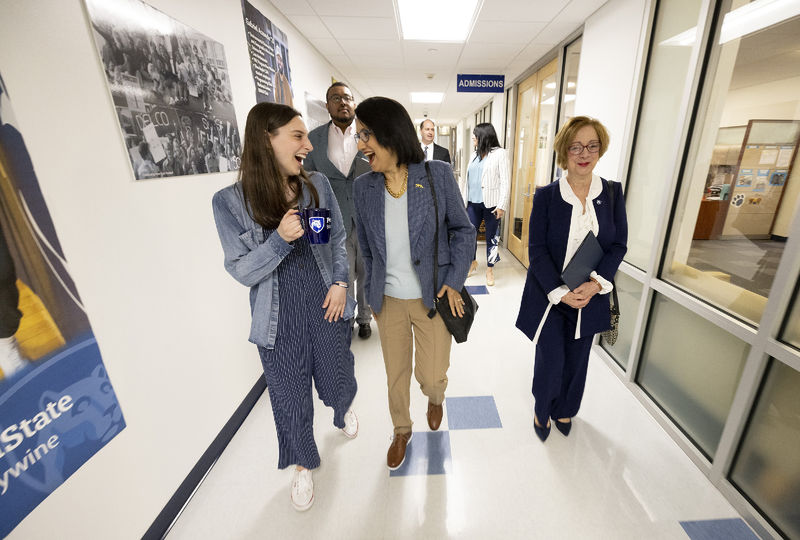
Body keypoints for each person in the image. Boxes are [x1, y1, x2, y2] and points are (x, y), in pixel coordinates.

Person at [212, 102, 358, 511]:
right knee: (291, 398)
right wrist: (278, 240)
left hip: (326, 304)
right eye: (297, 136)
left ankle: (342, 407)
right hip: (279, 321)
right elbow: (241, 270)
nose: (306, 146)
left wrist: (341, 282)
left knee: (336, 375)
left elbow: (335, 240)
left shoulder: (316, 187)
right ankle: (302, 463)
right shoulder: (230, 203)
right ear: (266, 139)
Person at [352, 97, 475, 470]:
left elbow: (464, 231)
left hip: (433, 296)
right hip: (387, 300)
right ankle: (401, 429)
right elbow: (368, 250)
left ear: (391, 132)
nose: (361, 145)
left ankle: (435, 398)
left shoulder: (435, 175)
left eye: (367, 135)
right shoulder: (363, 188)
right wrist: (372, 293)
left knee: (431, 375)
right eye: (358, 137)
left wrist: (454, 281)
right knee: (396, 375)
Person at [515, 116, 627, 442]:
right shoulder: (547, 196)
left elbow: (618, 244)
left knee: (578, 361)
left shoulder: (612, 194)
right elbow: (536, 250)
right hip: (552, 296)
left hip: (591, 294)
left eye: (592, 145)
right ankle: (542, 407)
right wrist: (560, 292)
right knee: (551, 359)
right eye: (576, 146)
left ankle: (566, 408)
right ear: (564, 151)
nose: (584, 153)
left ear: (600, 150)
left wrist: (596, 285)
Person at [304, 82, 373, 339]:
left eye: (347, 98)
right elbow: (308, 181)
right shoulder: (315, 139)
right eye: (336, 98)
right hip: (334, 218)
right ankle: (348, 318)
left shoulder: (368, 134)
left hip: (366, 216)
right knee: (342, 270)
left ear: (354, 103)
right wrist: (313, 227)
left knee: (366, 270)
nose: (342, 102)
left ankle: (365, 318)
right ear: (327, 105)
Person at [461, 123, 510, 287]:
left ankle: (490, 269)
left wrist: (502, 205)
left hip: (492, 204)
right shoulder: (474, 155)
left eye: (475, 135)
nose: (473, 138)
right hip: (472, 204)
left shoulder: (500, 154)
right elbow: (467, 180)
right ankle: (472, 262)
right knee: (470, 236)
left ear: (484, 136)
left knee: (492, 238)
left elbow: (505, 182)